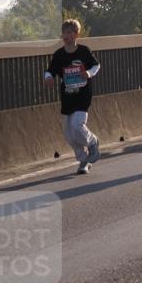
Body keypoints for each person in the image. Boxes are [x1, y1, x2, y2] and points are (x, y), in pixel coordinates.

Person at [44, 20, 101, 175]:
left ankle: (92, 142)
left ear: (76, 34)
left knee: (77, 125)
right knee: (69, 135)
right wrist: (48, 77)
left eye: (70, 32)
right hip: (67, 97)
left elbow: (96, 65)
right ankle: (83, 160)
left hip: (83, 95)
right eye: (64, 32)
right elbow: (50, 71)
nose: (66, 36)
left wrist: (88, 73)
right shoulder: (59, 55)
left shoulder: (84, 51)